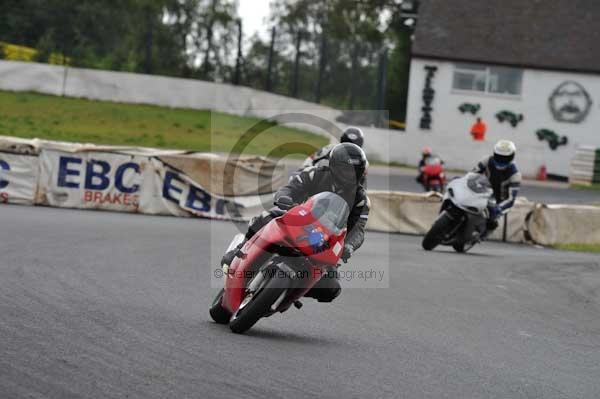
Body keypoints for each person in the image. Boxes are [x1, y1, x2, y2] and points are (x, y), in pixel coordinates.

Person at [222, 142, 370, 303]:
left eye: (355, 171)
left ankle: (291, 291)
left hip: (326, 240)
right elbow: (289, 188)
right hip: (296, 219)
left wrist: (349, 245)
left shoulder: (361, 199)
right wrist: (285, 199)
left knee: (331, 288)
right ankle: (239, 249)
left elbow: (358, 229)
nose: (350, 175)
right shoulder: (315, 174)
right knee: (267, 217)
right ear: (334, 166)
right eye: (346, 170)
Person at [472, 140, 521, 234]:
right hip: (482, 191)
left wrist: (498, 208)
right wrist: (462, 180)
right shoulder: (487, 160)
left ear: (512, 156)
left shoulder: (515, 174)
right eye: (499, 156)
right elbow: (473, 174)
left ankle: (481, 234)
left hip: (499, 201)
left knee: (491, 220)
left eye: (505, 157)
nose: (501, 159)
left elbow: (511, 199)